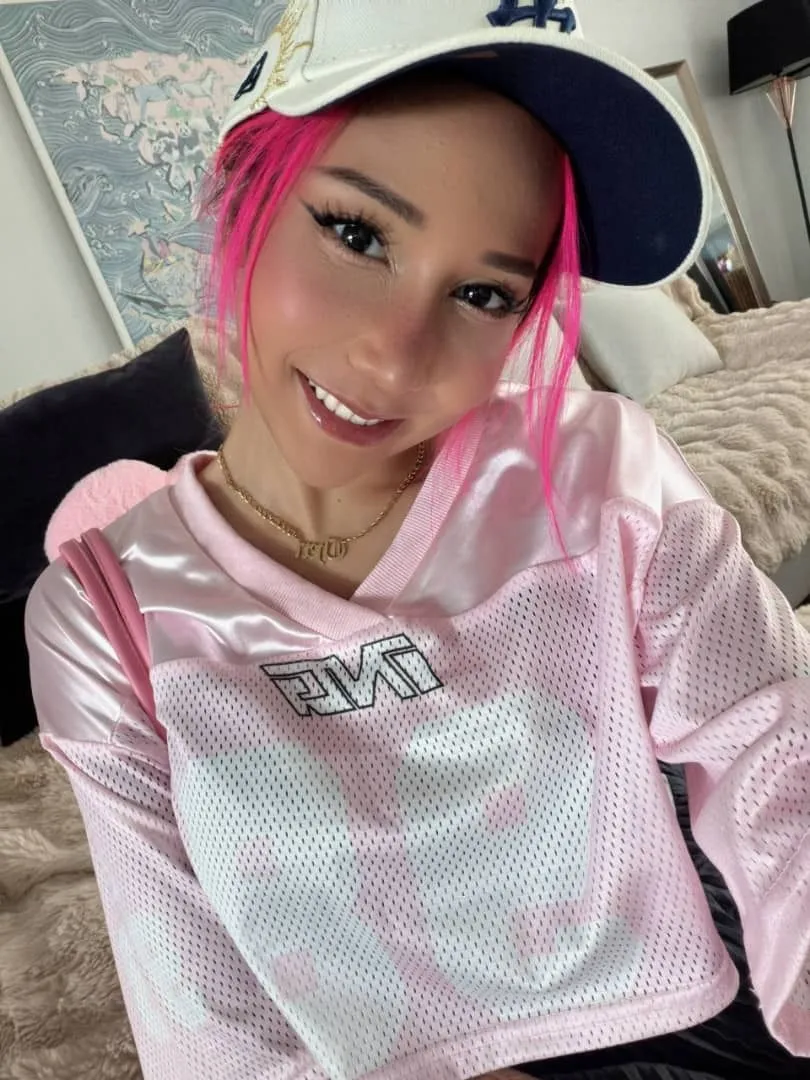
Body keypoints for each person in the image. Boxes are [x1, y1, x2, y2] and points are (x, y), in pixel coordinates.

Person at [24, 2, 810, 1079]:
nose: (395, 358)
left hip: (699, 987)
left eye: (484, 293)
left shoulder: (599, 472)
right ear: (241, 195)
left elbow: (776, 753)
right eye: (357, 235)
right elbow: (205, 1026)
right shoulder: (105, 615)